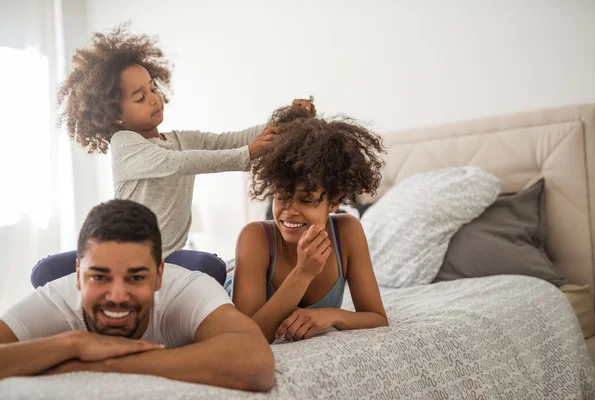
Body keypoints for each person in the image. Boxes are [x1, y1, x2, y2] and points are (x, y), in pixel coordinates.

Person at [31, 24, 315, 288]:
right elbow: (177, 163)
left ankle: (141, 289)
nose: (154, 98)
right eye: (140, 97)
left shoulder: (182, 140)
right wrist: (247, 154)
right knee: (44, 271)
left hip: (165, 260)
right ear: (115, 115)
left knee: (211, 266)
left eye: (153, 88)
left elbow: (231, 140)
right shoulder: (124, 145)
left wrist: (287, 121)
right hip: (120, 253)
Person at [0, 199, 274, 392]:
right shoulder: (56, 299)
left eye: (136, 277)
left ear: (158, 276)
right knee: (45, 271)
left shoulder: (187, 288)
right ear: (78, 276)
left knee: (210, 267)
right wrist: (73, 344)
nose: (117, 295)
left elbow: (256, 362)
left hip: (190, 270)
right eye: (99, 276)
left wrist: (100, 364)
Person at [225, 106, 389, 343]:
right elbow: (245, 337)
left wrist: (331, 316)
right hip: (228, 277)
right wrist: (303, 273)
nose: (290, 210)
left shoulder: (347, 233)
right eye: (282, 196)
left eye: (307, 199)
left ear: (333, 201)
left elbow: (377, 317)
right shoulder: (255, 238)